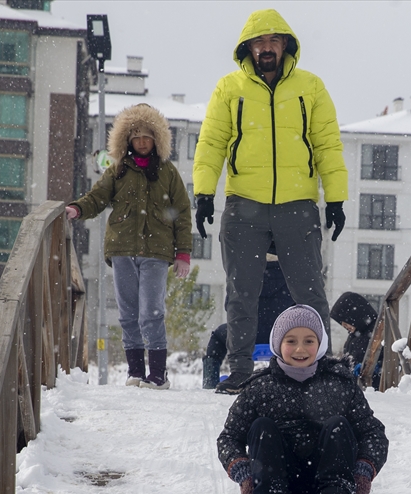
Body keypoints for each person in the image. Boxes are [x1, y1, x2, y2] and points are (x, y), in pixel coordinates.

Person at [193, 8, 348, 395]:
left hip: (298, 204)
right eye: (259, 43)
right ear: (248, 48)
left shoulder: (310, 87)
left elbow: (327, 144)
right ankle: (241, 369)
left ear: (285, 46)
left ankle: (320, 368)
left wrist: (336, 199)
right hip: (244, 203)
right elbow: (211, 143)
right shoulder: (230, 89)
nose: (266, 49)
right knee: (240, 292)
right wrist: (203, 193)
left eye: (273, 42)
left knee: (309, 292)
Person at [217, 305, 388, 494]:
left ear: (320, 345)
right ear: (278, 344)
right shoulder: (259, 388)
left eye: (309, 341)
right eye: (291, 341)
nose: (300, 349)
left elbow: (372, 433)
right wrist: (243, 472)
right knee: (262, 426)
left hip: (332, 488)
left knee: (338, 425)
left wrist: (364, 470)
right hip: (274, 486)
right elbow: (229, 438)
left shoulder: (339, 384)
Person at [66, 103, 192, 389]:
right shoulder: (118, 170)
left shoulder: (168, 173)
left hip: (156, 253)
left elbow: (182, 213)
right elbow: (97, 197)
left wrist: (183, 253)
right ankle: (135, 372)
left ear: (157, 140)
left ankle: (158, 375)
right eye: (137, 137)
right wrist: (77, 209)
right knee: (128, 313)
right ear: (128, 140)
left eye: (148, 137)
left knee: (152, 312)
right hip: (122, 250)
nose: (143, 142)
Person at [202, 242, 294, 389]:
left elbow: (230, 308)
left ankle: (210, 383)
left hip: (245, 336)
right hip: (280, 338)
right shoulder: (291, 278)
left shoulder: (243, 274)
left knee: (218, 337)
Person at [329, 292, 379, 371]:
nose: (344, 326)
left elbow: (387, 361)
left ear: (354, 315)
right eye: (341, 324)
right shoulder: (355, 334)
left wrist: (374, 368)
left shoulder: (377, 332)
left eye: (345, 322)